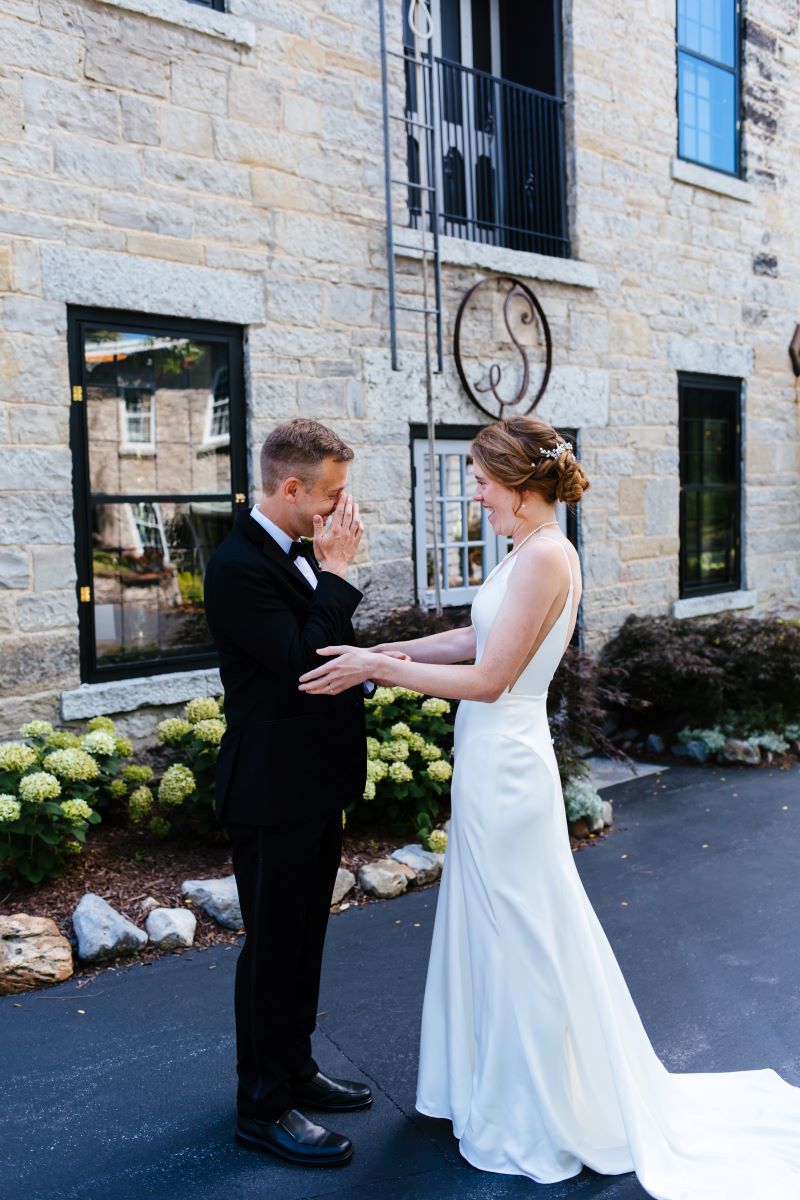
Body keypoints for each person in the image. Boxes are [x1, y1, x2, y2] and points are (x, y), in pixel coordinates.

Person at [299, 414, 800, 1198]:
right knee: (497, 923)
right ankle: (490, 1085)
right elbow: (473, 636)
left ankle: (537, 1106)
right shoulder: (530, 550)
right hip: (494, 761)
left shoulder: (544, 559)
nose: (474, 493)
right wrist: (392, 651)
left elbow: (492, 679)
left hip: (509, 769)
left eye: (481, 479)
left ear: (522, 485)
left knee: (521, 933)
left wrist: (379, 669)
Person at [204, 418, 380, 1169]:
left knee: (305, 941)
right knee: (272, 949)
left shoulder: (299, 552)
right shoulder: (238, 566)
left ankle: (297, 1068)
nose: (342, 510)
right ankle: (262, 1107)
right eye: (333, 495)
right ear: (290, 487)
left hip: (315, 782)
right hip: (271, 788)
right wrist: (337, 575)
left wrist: (375, 659)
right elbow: (303, 662)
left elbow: (332, 649)